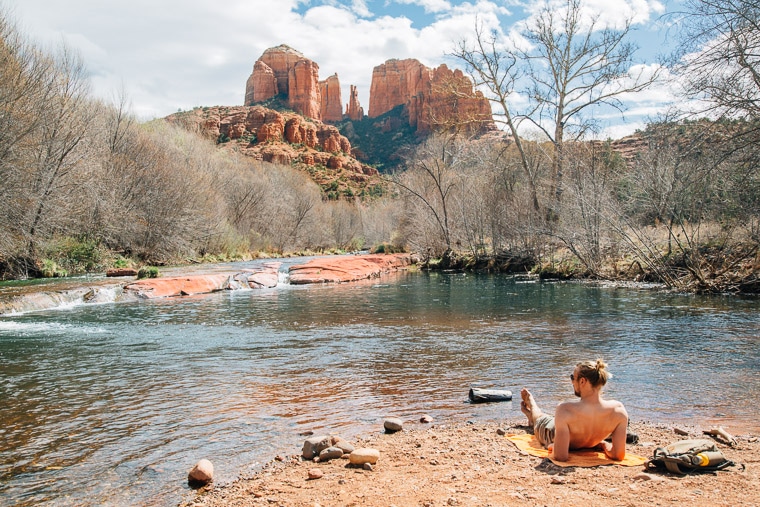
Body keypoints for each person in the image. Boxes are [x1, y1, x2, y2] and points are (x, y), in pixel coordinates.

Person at [520, 358, 628, 462]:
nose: (572, 382)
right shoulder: (618, 411)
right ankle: (531, 416)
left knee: (540, 419)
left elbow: (560, 456)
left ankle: (532, 405)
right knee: (548, 419)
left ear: (582, 381)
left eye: (573, 377)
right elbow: (618, 455)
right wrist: (603, 444)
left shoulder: (565, 409)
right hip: (570, 430)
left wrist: (553, 447)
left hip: (553, 433)